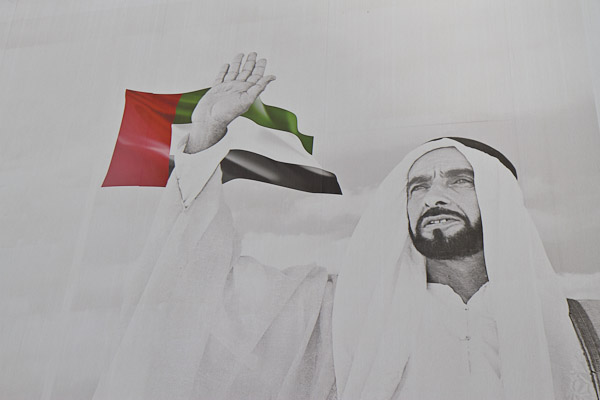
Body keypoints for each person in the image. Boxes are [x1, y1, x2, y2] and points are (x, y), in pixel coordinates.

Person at [92, 54, 596, 400]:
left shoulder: (581, 325)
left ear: (503, 204)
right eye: (417, 186)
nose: (433, 196)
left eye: (459, 180)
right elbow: (198, 295)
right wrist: (205, 137)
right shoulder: (346, 312)